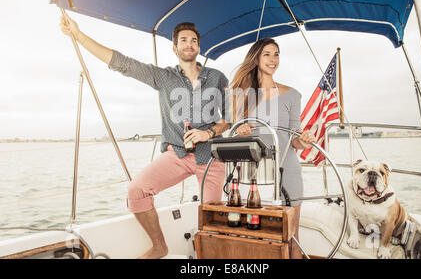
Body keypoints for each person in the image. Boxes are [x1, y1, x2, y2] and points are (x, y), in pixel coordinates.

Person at [60, 15, 229, 259]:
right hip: (178, 154)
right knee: (137, 191)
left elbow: (230, 118)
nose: (189, 44)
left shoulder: (217, 77)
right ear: (175, 47)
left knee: (213, 219)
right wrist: (78, 35)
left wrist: (208, 132)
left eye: (193, 40)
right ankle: (160, 246)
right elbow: (122, 63)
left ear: (199, 47)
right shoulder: (164, 77)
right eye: (183, 40)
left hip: (211, 157)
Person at [228, 37, 316, 259]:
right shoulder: (240, 94)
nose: (273, 59)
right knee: (257, 234)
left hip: (288, 167)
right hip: (253, 173)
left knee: (292, 235)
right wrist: (240, 131)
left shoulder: (292, 95)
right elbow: (233, 135)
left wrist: (303, 140)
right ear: (256, 58)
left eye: (276, 54)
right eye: (267, 54)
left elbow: (295, 138)